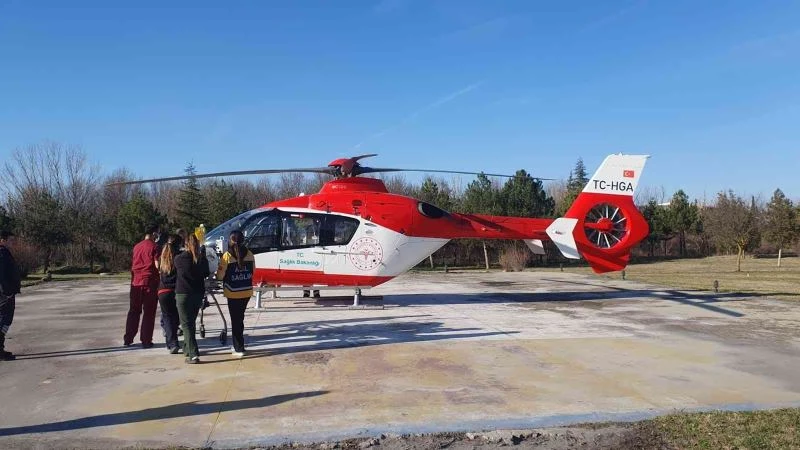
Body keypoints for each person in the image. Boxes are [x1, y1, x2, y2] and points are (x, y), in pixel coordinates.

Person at [216, 230, 254, 357]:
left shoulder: (227, 256)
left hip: (233, 292)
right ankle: (239, 345)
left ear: (230, 241)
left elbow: (220, 276)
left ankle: (239, 348)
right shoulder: (250, 254)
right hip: (246, 291)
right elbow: (253, 271)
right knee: (240, 319)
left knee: (235, 320)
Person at [174, 232, 209, 364]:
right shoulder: (201, 259)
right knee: (190, 323)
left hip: (183, 293)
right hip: (197, 293)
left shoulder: (179, 259)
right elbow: (206, 273)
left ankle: (193, 353)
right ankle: (187, 348)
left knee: (186, 324)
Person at [124, 224, 160, 348]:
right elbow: (157, 265)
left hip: (135, 282)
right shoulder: (154, 247)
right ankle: (146, 340)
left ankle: (128, 338)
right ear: (154, 234)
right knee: (149, 312)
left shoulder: (136, 247)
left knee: (134, 311)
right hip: (149, 282)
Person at [158, 234, 182, 354]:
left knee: (167, 317)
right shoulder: (179, 257)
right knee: (175, 317)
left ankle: (171, 342)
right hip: (175, 290)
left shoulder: (162, 258)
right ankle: (173, 341)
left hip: (162, 291)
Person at [0, 230, 21, 361]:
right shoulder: (2, 253)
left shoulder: (4, 252)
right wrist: (6, 292)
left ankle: (0, 349)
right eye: (11, 240)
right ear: (3, 240)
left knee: (5, 319)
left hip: (6, 292)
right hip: (4, 294)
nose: (13, 242)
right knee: (4, 319)